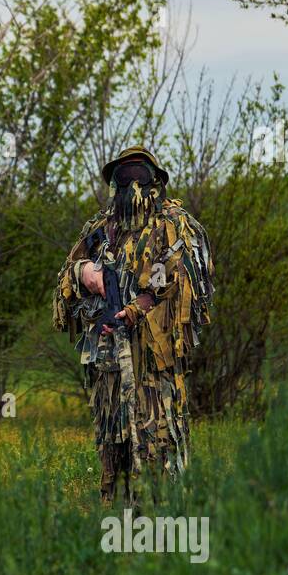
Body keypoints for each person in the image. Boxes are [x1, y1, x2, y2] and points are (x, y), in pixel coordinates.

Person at [53, 146, 215, 507]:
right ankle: (122, 535)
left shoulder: (173, 224)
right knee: (117, 456)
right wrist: (85, 274)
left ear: (154, 180)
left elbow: (188, 278)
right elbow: (64, 282)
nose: (132, 185)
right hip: (109, 372)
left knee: (158, 451)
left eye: (138, 175)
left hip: (154, 372)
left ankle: (164, 529)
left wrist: (139, 306)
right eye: (122, 177)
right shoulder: (99, 230)